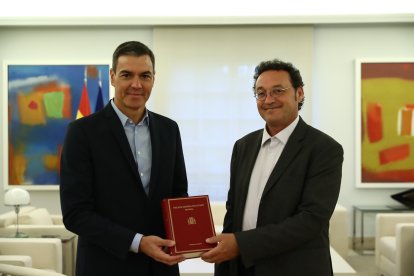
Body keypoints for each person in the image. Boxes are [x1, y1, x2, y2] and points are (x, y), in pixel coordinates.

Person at [201, 59, 344, 276]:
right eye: (261, 93)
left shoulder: (324, 149)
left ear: (299, 93)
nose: (268, 100)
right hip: (243, 267)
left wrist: (241, 244)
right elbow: (234, 212)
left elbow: (310, 220)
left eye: (278, 91)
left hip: (294, 268)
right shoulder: (243, 146)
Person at [60, 41, 188, 276]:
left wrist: (191, 236)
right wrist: (138, 242)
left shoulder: (169, 129)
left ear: (154, 79)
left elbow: (178, 193)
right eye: (127, 75)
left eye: (145, 76)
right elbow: (75, 214)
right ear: (112, 76)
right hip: (105, 266)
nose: (136, 85)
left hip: (161, 267)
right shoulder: (81, 132)